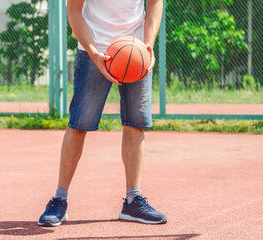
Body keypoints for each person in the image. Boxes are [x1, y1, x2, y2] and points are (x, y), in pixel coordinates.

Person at [37, 0, 166, 227]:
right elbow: (74, 10)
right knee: (79, 124)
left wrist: (148, 44)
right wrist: (94, 52)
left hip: (137, 50)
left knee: (135, 124)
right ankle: (60, 199)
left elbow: (155, 3)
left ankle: (133, 201)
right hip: (95, 49)